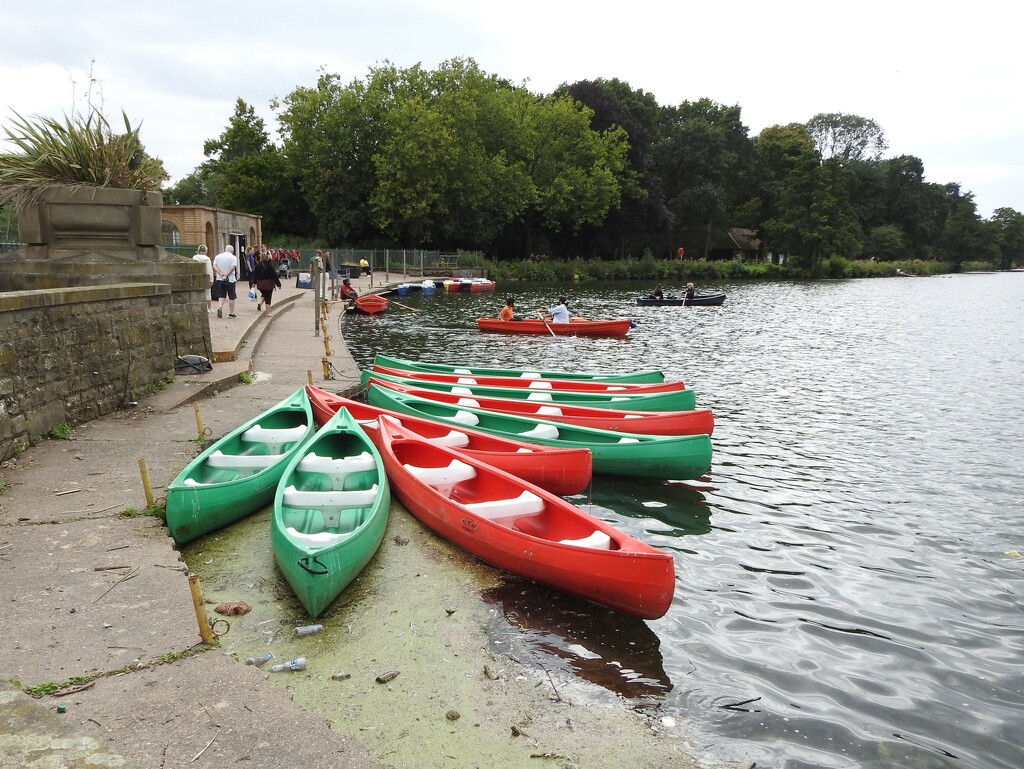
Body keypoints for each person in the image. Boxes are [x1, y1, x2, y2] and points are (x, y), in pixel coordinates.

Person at [212, 245, 239, 318]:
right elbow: (232, 267)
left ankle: (220, 307)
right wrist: (226, 275)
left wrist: (221, 274)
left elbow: (214, 266)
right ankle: (231, 313)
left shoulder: (218, 256)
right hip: (230, 279)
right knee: (231, 296)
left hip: (219, 279)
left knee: (221, 295)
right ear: (232, 251)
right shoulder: (233, 257)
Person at [253, 251, 282, 316]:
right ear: (266, 257)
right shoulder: (269, 265)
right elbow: (274, 275)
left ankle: (260, 303)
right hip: (268, 284)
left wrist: (254, 282)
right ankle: (268, 312)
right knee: (268, 297)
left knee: (264, 294)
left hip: (260, 284)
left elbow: (255, 275)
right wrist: (278, 284)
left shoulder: (258, 265)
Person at [192, 245, 215, 313]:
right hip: (205, 277)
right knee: (207, 293)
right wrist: (211, 279)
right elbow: (209, 270)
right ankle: (209, 308)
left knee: (197, 292)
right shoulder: (207, 259)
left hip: (196, 276)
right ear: (205, 251)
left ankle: (198, 307)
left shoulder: (194, 257)